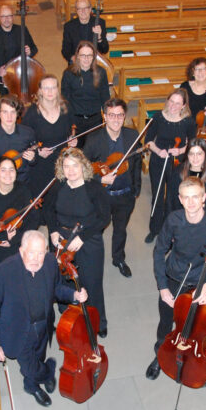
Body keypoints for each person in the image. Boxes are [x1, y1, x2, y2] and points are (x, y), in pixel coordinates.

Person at [0, 230, 87, 406]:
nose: (36, 258)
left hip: (43, 325)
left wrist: (74, 295)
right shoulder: (3, 272)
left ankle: (31, 384)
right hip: (18, 331)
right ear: (21, 250)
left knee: (39, 355)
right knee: (29, 366)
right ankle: (48, 371)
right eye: (31, 252)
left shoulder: (49, 263)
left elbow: (56, 289)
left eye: (40, 253)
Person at [146, 177, 206, 380]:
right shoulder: (173, 220)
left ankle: (193, 359)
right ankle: (160, 354)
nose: (191, 202)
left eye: (196, 197)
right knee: (166, 322)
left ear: (204, 198)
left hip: (200, 283)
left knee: (195, 327)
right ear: (180, 199)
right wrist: (163, 287)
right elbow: (159, 252)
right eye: (186, 198)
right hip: (174, 278)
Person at [44, 148, 111, 337]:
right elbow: (48, 211)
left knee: (91, 282)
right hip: (62, 240)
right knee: (64, 281)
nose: (71, 170)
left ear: (83, 166)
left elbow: (104, 217)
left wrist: (83, 237)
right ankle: (68, 315)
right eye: (66, 166)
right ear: (61, 168)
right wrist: (53, 231)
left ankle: (98, 321)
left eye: (75, 165)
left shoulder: (94, 188)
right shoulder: (58, 186)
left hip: (87, 239)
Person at [83, 98, 142, 278]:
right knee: (96, 230)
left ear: (124, 116)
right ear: (104, 116)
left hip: (125, 196)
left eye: (119, 115)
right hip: (102, 196)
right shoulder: (93, 140)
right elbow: (84, 170)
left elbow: (137, 164)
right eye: (111, 115)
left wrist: (136, 189)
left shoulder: (132, 136)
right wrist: (100, 180)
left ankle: (118, 259)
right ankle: (92, 260)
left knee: (120, 229)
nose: (115, 119)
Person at [144, 88, 196, 243]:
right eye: (171, 101)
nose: (173, 106)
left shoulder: (188, 121)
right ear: (167, 101)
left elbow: (192, 144)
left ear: (184, 105)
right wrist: (158, 151)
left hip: (177, 162)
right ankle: (154, 229)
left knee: (174, 198)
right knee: (157, 195)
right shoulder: (158, 117)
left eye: (177, 103)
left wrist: (179, 150)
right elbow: (148, 140)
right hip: (159, 159)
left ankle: (170, 231)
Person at [21, 74, 77, 199]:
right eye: (46, 88)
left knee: (64, 197)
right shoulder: (32, 113)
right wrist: (38, 151)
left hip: (62, 159)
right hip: (41, 162)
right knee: (44, 198)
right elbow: (24, 141)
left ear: (58, 89)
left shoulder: (66, 108)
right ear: (40, 91)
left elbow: (72, 130)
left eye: (53, 88)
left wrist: (73, 139)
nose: (50, 91)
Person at [61, 41, 110, 147]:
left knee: (94, 153)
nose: (86, 59)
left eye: (89, 55)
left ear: (93, 57)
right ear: (77, 56)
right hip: (75, 121)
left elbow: (105, 97)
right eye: (83, 55)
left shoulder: (101, 72)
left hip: (95, 121)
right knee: (77, 155)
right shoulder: (68, 73)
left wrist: (108, 117)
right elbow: (65, 101)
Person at [0, 3, 38, 96]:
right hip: (3, 77)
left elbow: (34, 48)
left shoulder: (22, 30)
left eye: (9, 16)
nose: (6, 19)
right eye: (3, 16)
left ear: (13, 17)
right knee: (6, 101)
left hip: (20, 74)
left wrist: (30, 52)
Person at [166, 138, 206, 216]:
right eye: (191, 154)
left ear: (205, 154)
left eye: (199, 154)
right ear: (187, 155)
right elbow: (170, 202)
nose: (195, 158)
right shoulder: (177, 172)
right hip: (183, 217)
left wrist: (201, 205)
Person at [61, 0, 109, 64]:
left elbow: (105, 49)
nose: (82, 11)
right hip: (77, 63)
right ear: (76, 11)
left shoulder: (99, 23)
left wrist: (99, 37)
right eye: (79, 9)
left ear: (90, 9)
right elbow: (65, 51)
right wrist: (73, 58)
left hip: (94, 62)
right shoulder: (69, 26)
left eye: (85, 8)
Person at [180, 57, 206, 130]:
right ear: (193, 72)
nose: (200, 72)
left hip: (205, 126)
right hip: (187, 125)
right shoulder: (184, 86)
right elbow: (179, 107)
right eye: (197, 69)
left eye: (204, 69)